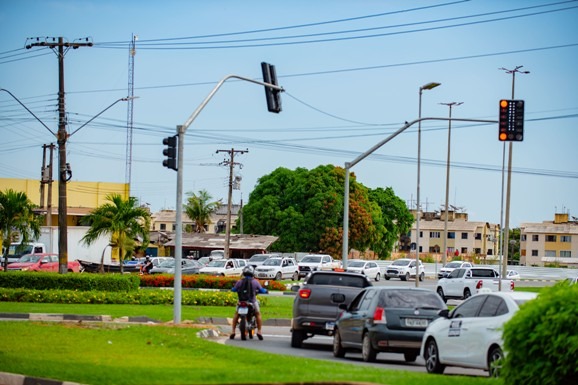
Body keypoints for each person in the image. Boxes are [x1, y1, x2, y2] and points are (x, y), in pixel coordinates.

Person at [230, 265, 267, 340]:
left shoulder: (239, 282)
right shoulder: (255, 282)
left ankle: (233, 331)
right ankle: (259, 331)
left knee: (236, 314)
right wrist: (266, 290)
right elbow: (262, 290)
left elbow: (233, 289)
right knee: (257, 314)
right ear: (252, 273)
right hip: (252, 302)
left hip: (241, 302)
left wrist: (233, 288)